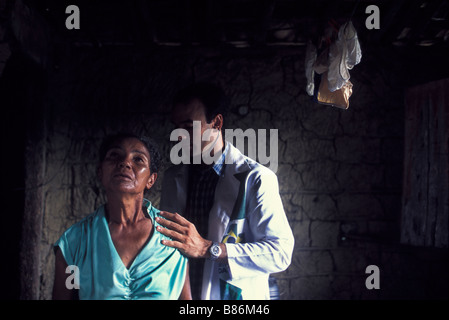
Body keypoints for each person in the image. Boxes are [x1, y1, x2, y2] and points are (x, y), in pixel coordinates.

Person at [158, 83, 294, 300]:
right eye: (176, 127)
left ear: (217, 122)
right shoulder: (173, 177)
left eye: (188, 126)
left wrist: (208, 249)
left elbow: (279, 253)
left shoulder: (256, 179)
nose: (179, 136)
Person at [52, 133, 191, 300]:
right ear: (100, 172)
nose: (125, 163)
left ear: (151, 179)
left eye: (138, 159)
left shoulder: (173, 235)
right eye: (114, 156)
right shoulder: (75, 242)